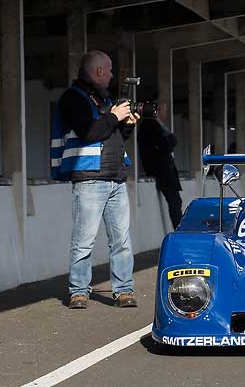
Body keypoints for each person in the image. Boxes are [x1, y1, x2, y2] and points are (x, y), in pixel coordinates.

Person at [51, 50, 139, 309]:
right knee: (84, 240)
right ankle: (78, 291)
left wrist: (128, 123)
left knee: (121, 240)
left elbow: (113, 136)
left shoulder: (104, 100)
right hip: (89, 179)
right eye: (110, 71)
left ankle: (123, 290)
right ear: (99, 71)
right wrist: (114, 116)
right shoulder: (73, 99)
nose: (112, 76)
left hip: (115, 178)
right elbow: (89, 132)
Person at [137, 101, 183, 230]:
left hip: (164, 170)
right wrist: (171, 140)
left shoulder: (154, 126)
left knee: (176, 202)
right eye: (164, 111)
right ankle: (178, 231)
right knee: (175, 202)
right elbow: (167, 144)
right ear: (157, 111)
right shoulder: (151, 126)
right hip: (162, 171)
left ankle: (178, 229)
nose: (166, 114)